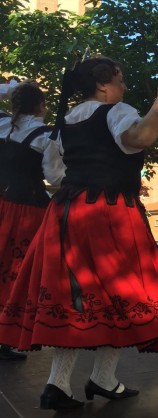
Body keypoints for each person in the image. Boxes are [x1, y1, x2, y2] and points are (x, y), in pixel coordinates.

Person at [0, 57, 158, 411]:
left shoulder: (64, 122)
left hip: (67, 212)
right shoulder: (115, 111)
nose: (124, 86)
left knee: (75, 298)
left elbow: (56, 174)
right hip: (108, 213)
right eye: (121, 79)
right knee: (120, 294)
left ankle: (68, 382)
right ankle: (95, 379)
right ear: (103, 84)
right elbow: (140, 136)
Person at [0, 82, 64, 361]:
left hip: (2, 204)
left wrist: (11, 88)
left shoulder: (3, 124)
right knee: (20, 272)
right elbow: (56, 177)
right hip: (28, 211)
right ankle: (8, 335)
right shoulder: (48, 135)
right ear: (40, 106)